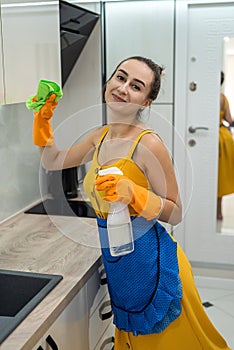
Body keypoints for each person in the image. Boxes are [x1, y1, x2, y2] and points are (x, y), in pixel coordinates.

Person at [32, 56, 231, 349]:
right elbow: (53, 159)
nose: (123, 88)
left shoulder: (149, 143)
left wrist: (135, 195)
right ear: (108, 81)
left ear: (146, 103)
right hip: (122, 263)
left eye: (136, 86)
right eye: (120, 78)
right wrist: (42, 120)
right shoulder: (99, 136)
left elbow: (174, 212)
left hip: (154, 264)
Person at [217, 71, 234, 220]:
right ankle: (219, 212)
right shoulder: (222, 98)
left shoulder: (204, 99)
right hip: (224, 138)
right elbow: (229, 119)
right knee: (221, 176)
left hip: (213, 138)